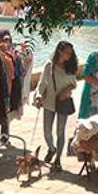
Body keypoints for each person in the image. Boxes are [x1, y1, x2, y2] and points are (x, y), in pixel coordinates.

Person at [33, 41, 78, 171]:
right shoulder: (49, 65)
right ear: (60, 51)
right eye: (67, 52)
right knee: (47, 131)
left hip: (63, 102)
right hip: (49, 102)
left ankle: (58, 158)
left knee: (60, 131)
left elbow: (74, 83)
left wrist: (65, 91)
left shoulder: (71, 66)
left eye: (71, 52)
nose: (70, 55)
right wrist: (38, 97)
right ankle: (51, 148)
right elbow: (42, 83)